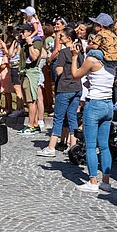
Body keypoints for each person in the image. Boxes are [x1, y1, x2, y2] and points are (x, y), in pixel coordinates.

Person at [70, 40, 114, 193]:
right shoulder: (112, 61)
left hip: (94, 103)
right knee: (104, 145)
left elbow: (75, 75)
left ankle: (93, 181)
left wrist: (75, 56)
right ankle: (106, 182)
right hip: (108, 104)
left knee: (90, 145)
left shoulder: (92, 60)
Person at [37, 27, 82, 157]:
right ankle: (73, 146)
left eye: (61, 36)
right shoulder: (79, 51)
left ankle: (51, 147)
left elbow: (59, 71)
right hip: (76, 87)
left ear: (69, 38)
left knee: (58, 118)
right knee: (72, 117)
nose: (59, 38)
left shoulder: (63, 53)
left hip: (64, 87)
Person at [16, 24, 43, 135]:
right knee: (29, 101)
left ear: (29, 32)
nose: (21, 34)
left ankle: (30, 125)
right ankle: (35, 124)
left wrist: (30, 43)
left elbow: (34, 56)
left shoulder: (35, 42)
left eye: (23, 32)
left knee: (31, 101)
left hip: (31, 73)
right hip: (25, 73)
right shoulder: (23, 44)